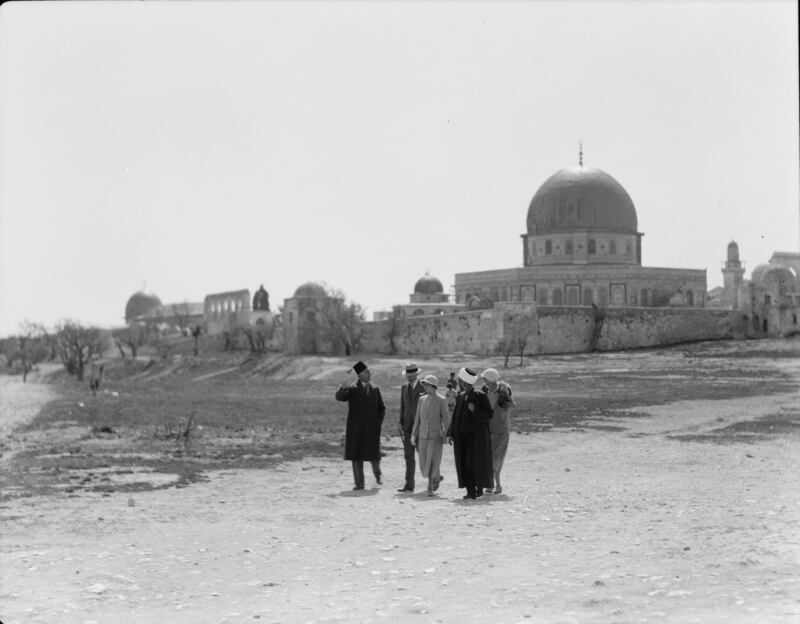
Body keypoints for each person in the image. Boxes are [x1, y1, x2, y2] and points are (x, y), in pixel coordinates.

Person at [335, 360, 385, 491]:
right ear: (360, 374)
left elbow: (381, 407)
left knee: (373, 455)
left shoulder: (375, 389)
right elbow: (340, 397)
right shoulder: (352, 388)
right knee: (357, 456)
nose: (370, 374)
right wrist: (342, 387)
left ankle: (377, 474)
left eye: (369, 371)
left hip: (372, 428)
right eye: (367, 372)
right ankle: (359, 484)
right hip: (356, 428)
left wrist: (378, 423)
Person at [446, 367, 494, 500]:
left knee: (471, 463)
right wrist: (450, 433)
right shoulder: (461, 396)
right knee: (465, 463)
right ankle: (472, 490)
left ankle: (475, 491)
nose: (459, 381)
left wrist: (475, 410)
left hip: (476, 438)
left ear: (463, 381)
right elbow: (455, 416)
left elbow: (489, 414)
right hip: (462, 438)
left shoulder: (480, 396)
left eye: (460, 380)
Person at [410, 374, 449, 496]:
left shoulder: (441, 400)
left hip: (435, 437)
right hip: (422, 437)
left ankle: (430, 487)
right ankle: (437, 477)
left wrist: (447, 435)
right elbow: (417, 419)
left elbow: (446, 420)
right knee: (423, 462)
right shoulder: (422, 399)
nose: (424, 387)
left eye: (426, 385)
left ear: (433, 386)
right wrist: (413, 434)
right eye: (424, 384)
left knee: (432, 461)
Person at [481, 368, 514, 495]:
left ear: (490, 379)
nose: (484, 382)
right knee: (491, 457)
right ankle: (497, 485)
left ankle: (491, 484)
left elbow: (511, 406)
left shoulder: (502, 391)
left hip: (501, 430)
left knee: (495, 458)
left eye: (485, 379)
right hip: (488, 429)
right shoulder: (486, 391)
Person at [398, 362, 425, 492]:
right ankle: (409, 484)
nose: (409, 377)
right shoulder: (404, 388)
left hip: (421, 428)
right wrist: (400, 422)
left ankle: (435, 477)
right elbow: (403, 406)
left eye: (411, 375)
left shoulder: (424, 387)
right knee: (408, 457)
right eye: (407, 375)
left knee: (424, 456)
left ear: (416, 374)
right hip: (408, 427)